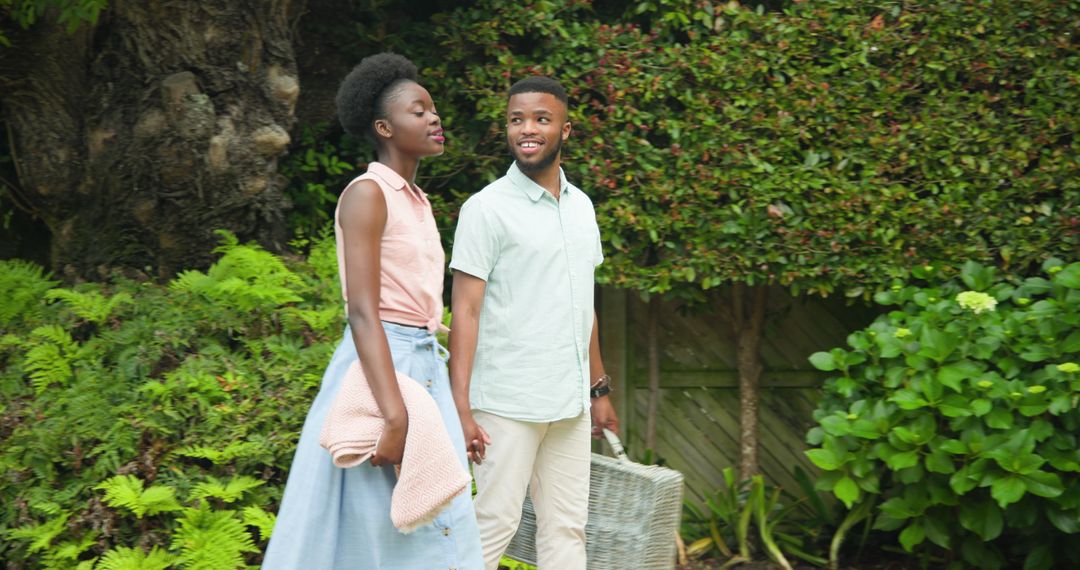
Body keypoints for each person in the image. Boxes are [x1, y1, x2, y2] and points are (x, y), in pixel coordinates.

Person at [262, 53, 483, 570]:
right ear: (384, 127)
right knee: (371, 523)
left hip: (423, 365)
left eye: (433, 110)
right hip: (384, 372)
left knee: (435, 515)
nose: (434, 118)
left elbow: (416, 305)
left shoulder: (416, 200)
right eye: (418, 110)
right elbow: (363, 312)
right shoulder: (367, 195)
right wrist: (394, 413)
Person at [448, 76, 619, 570]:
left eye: (542, 119)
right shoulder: (485, 209)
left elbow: (581, 303)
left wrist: (598, 388)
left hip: (569, 404)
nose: (527, 129)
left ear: (565, 130)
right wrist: (461, 407)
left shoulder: (582, 207)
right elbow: (466, 312)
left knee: (567, 529)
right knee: (493, 523)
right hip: (506, 402)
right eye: (516, 119)